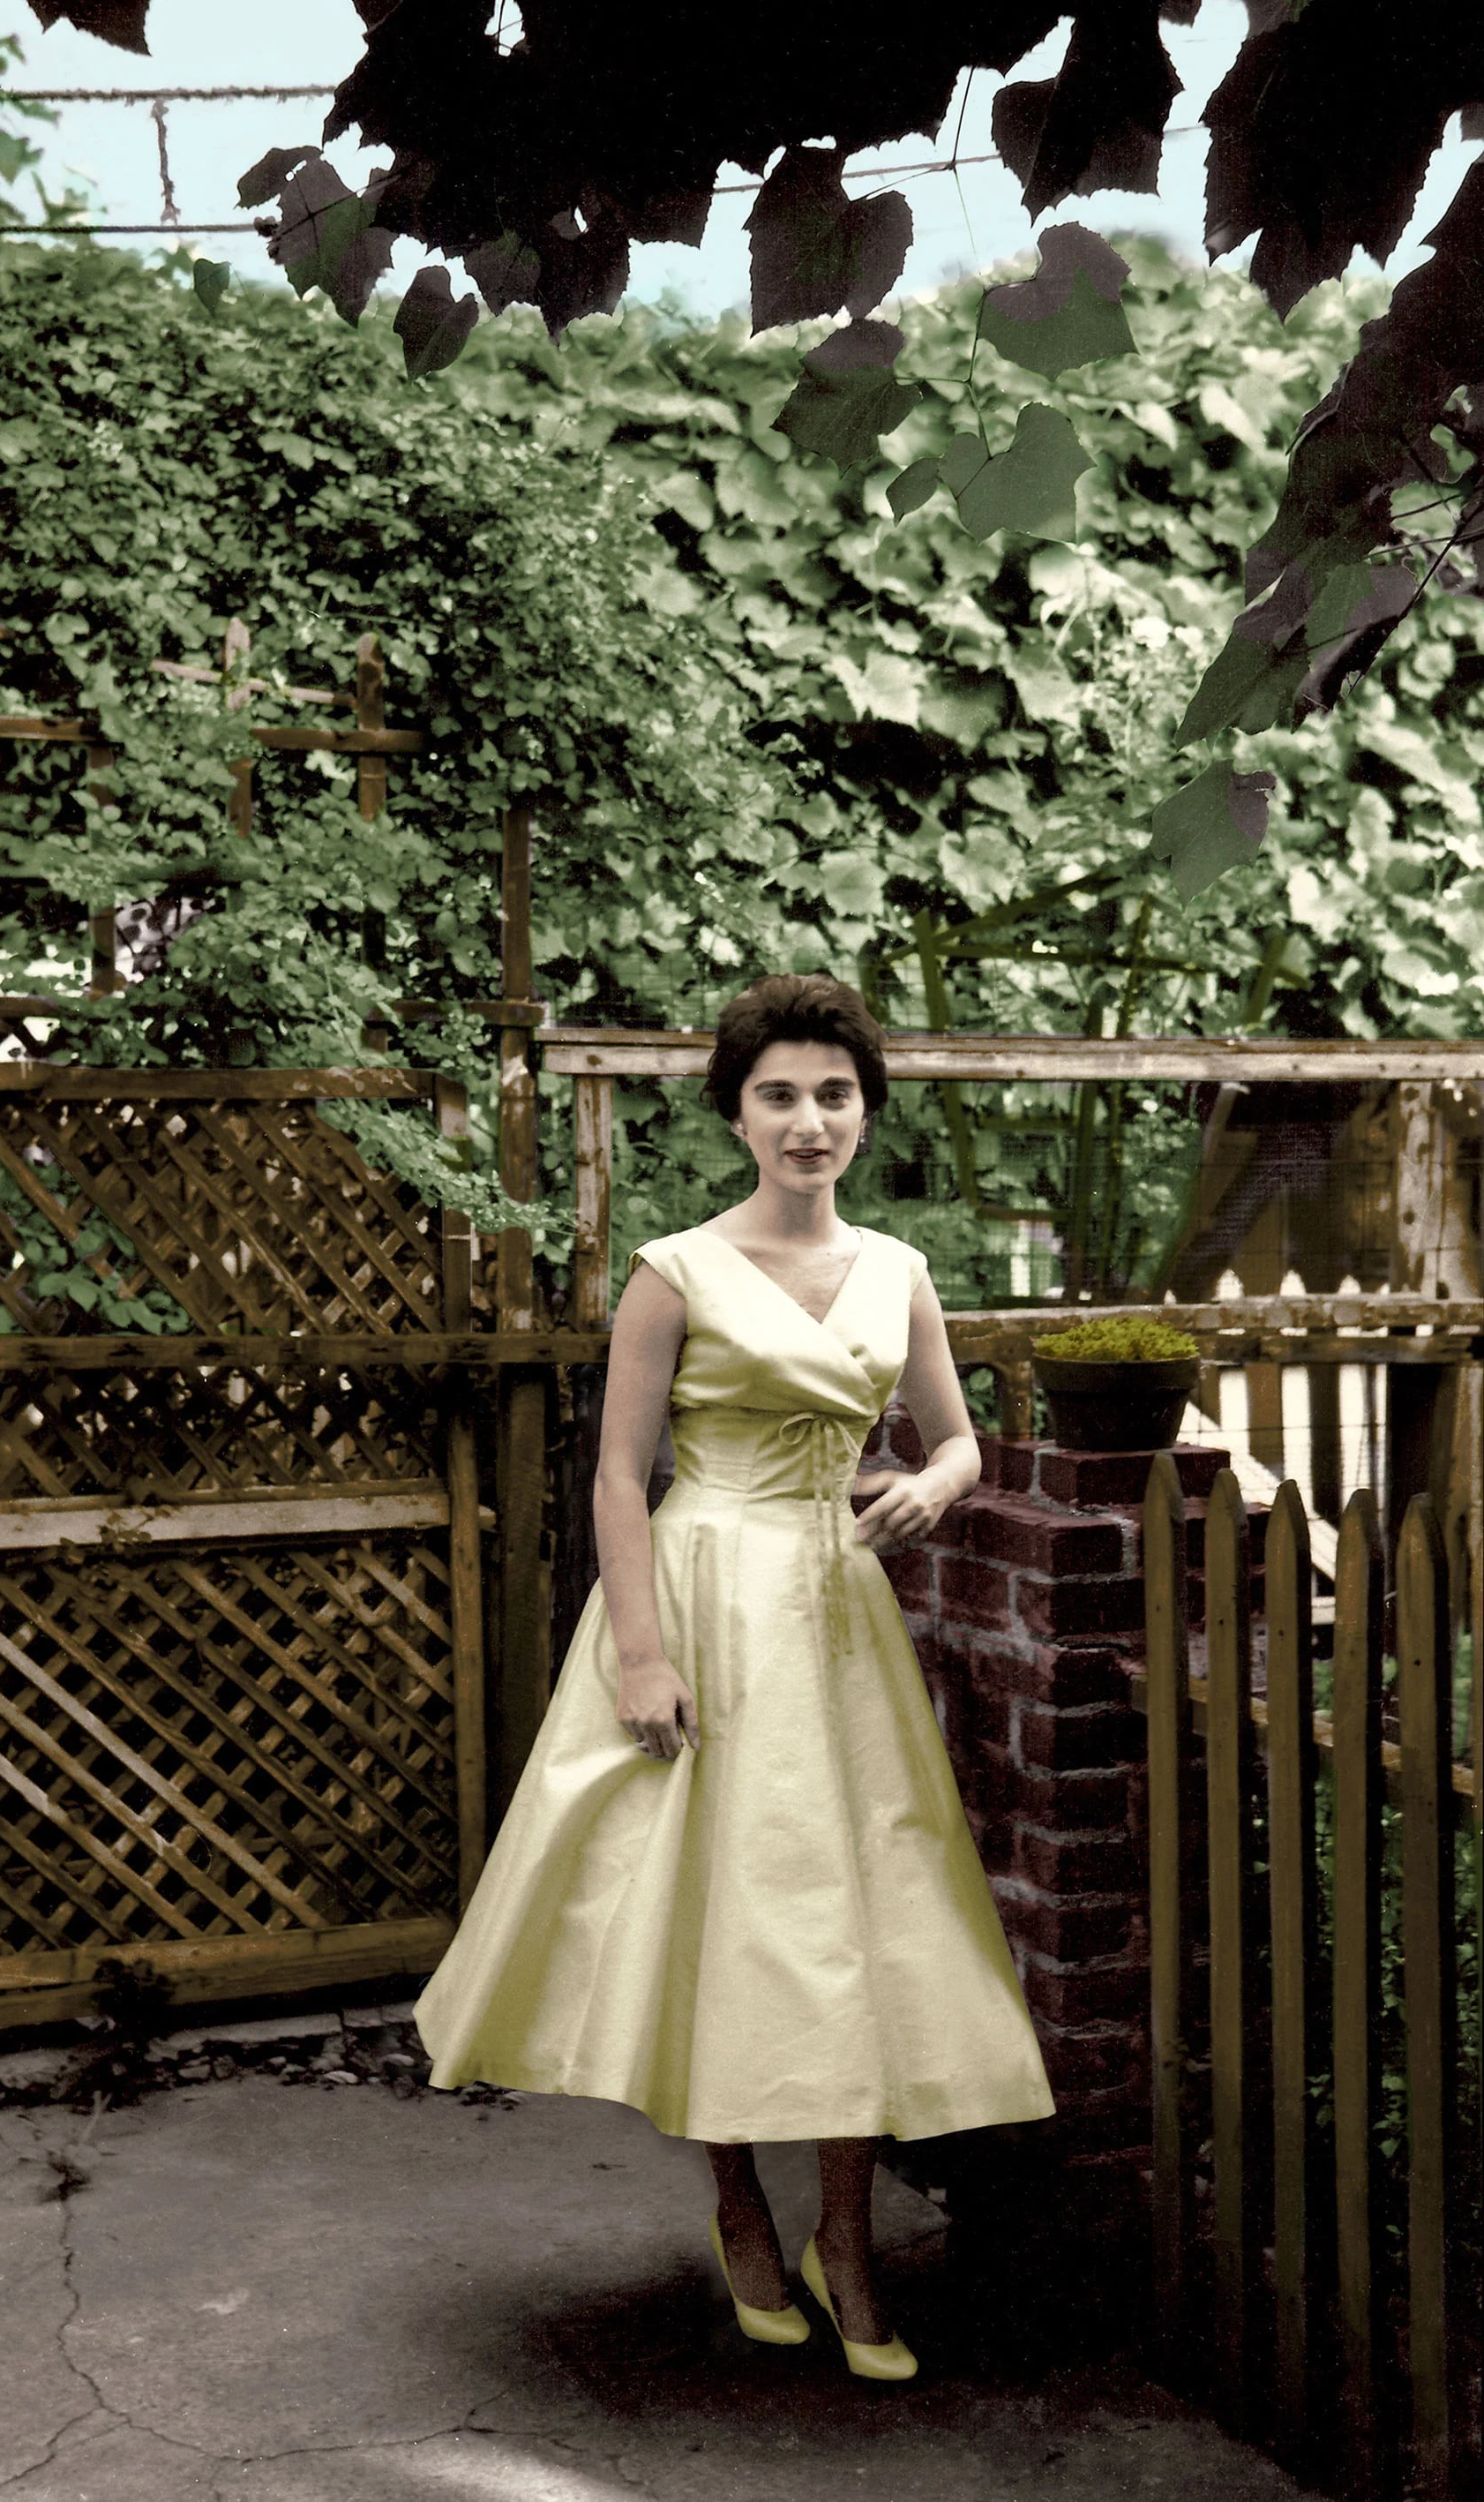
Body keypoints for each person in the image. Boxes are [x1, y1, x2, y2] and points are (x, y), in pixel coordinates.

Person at [414, 973, 1055, 2378]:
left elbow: (961, 1444)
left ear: (865, 1113)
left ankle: (847, 2235)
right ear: (737, 1112)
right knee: (722, 1914)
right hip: (705, 1606)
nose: (809, 1119)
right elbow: (617, 1476)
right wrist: (639, 1652)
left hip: (837, 1622)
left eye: (835, 1093)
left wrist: (932, 1491)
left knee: (858, 1924)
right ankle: (734, 2206)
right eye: (780, 1094)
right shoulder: (676, 1269)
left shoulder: (897, 1269)